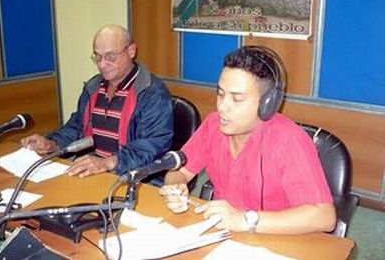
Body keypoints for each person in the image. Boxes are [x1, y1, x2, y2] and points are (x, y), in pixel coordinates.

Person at [160, 46, 336, 235]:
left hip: (278, 240)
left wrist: (246, 220)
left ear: (267, 103)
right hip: (225, 235)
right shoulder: (213, 125)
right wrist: (175, 188)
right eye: (220, 94)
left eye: (237, 99)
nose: (222, 107)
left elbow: (325, 217)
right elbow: (179, 171)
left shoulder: (289, 140)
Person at [21, 24, 174, 178]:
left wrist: (108, 162)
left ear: (131, 51)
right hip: (95, 173)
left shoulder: (152, 92)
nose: (102, 64)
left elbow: (152, 145)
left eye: (110, 57)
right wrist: (51, 144)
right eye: (97, 57)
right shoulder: (93, 87)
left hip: (134, 177)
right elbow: (76, 127)